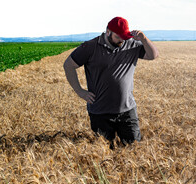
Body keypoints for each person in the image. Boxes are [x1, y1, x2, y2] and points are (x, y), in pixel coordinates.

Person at [63, 17, 159, 149]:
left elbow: (153, 55)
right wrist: (80, 91)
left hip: (127, 110)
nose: (122, 40)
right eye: (118, 37)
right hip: (100, 112)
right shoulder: (90, 47)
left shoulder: (131, 44)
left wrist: (143, 39)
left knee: (134, 150)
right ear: (108, 32)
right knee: (104, 152)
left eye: (124, 36)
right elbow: (68, 65)